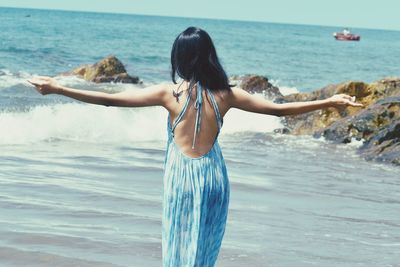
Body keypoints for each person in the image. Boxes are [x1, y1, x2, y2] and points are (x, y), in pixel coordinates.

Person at [28, 26, 362, 267]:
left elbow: (109, 101)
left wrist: (59, 89)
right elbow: (278, 109)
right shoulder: (227, 94)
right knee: (204, 250)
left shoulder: (168, 93)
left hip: (181, 177)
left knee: (177, 244)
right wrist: (327, 102)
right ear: (209, 56)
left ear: (180, 58)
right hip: (213, 177)